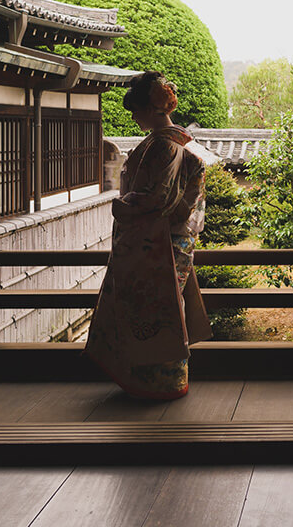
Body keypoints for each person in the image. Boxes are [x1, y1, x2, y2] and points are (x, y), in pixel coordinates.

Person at [85, 71, 212, 399]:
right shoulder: (175, 143)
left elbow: (156, 197)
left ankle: (155, 383)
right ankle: (165, 381)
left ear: (152, 108)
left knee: (153, 308)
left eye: (137, 109)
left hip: (156, 240)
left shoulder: (161, 146)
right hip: (168, 237)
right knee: (163, 307)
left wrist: (122, 206)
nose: (134, 116)